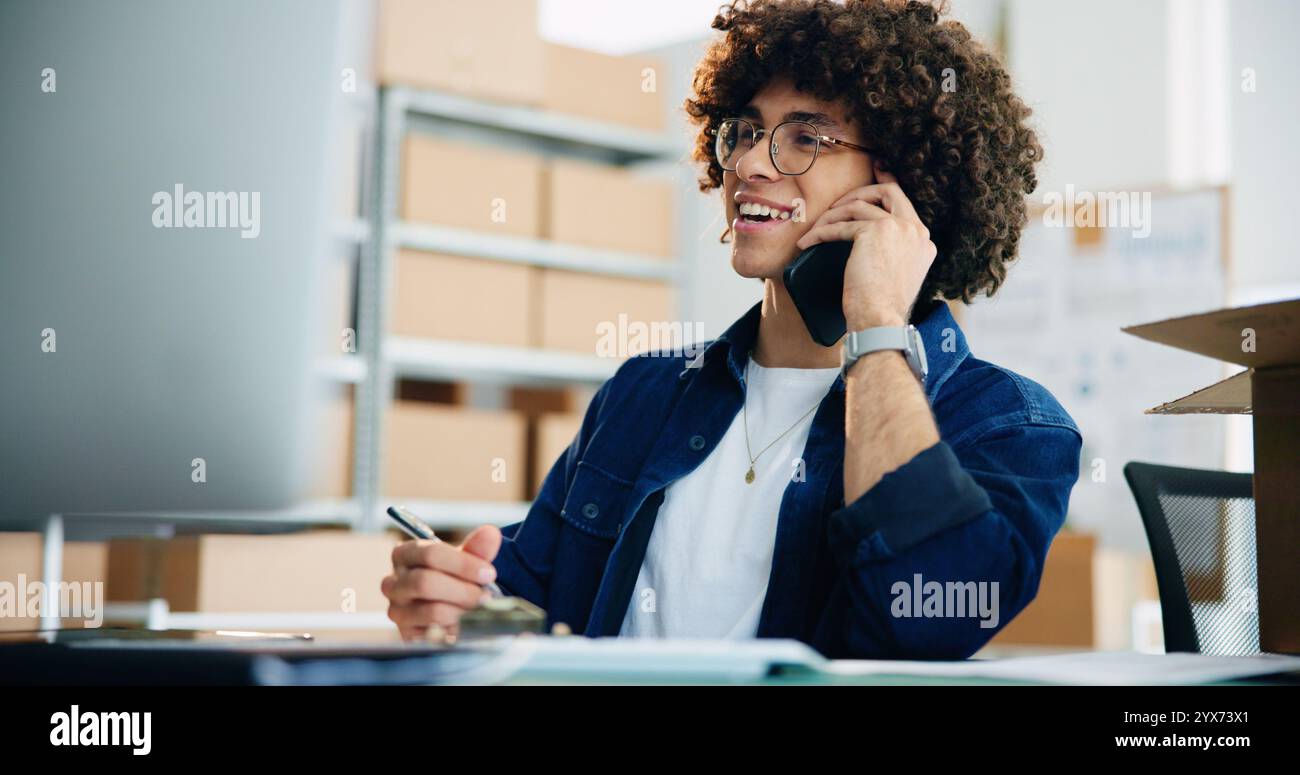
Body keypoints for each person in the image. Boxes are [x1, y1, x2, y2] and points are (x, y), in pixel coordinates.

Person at [381, 0, 1081, 659]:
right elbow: (539, 604)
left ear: (902, 188)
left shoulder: (1009, 425)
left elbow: (926, 623)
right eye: (744, 132)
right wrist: (463, 604)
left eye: (805, 137)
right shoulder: (644, 393)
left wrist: (874, 320)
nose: (748, 164)